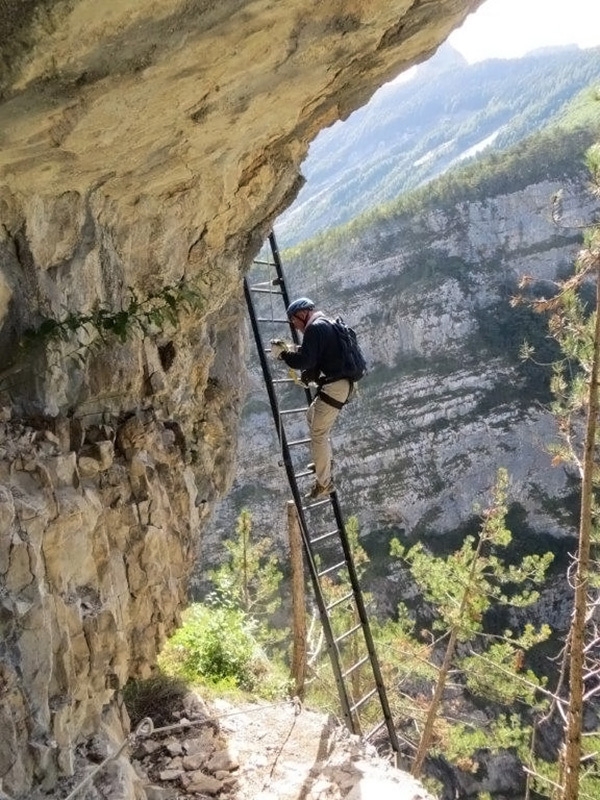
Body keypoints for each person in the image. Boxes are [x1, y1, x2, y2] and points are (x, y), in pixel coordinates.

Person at [270, 297, 353, 500]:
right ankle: (322, 460)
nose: (295, 327)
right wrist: (292, 351)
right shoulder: (326, 324)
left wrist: (283, 356)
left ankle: (324, 483)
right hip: (339, 384)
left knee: (318, 434)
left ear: (303, 314)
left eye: (294, 321)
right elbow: (314, 354)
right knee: (311, 416)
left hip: (334, 387)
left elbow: (306, 360)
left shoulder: (314, 328)